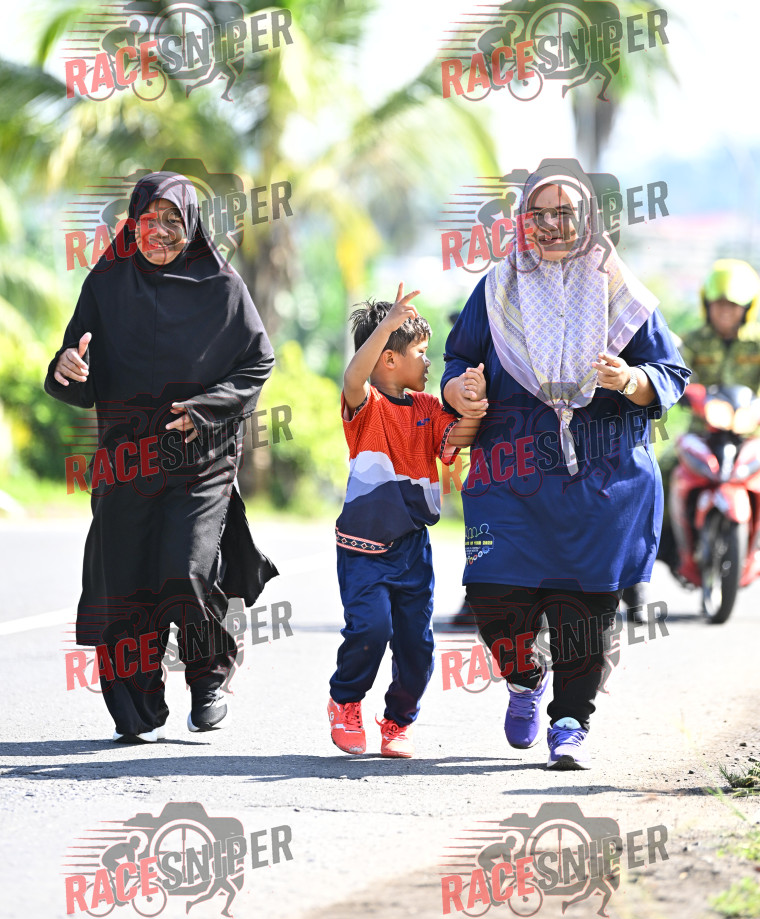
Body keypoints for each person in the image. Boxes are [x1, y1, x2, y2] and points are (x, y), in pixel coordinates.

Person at [441, 159, 689, 769]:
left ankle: (571, 721)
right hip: (509, 475)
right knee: (493, 594)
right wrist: (460, 390)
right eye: (539, 213)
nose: (551, 224)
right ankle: (524, 677)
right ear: (521, 220)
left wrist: (629, 379)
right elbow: (457, 358)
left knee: (586, 608)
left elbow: (670, 374)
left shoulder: (621, 290)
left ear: (589, 219)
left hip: (601, 481)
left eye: (565, 213)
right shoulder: (496, 288)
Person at [45, 172, 277, 742]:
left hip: (201, 461)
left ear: (192, 225)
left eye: (174, 220)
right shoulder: (105, 284)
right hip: (126, 461)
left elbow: (257, 361)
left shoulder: (222, 286)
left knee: (185, 571)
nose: (160, 231)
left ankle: (208, 677)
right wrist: (67, 367)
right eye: (149, 218)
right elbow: (76, 366)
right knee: (125, 581)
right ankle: (139, 702)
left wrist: (205, 409)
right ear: (132, 223)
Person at [327, 284, 487, 758]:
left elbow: (458, 438)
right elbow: (353, 375)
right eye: (420, 352)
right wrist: (388, 325)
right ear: (390, 359)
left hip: (413, 549)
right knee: (370, 631)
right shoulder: (365, 407)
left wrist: (475, 406)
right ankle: (345, 701)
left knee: (417, 647)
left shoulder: (429, 409)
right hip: (362, 548)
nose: (428, 361)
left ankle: (398, 721)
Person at [658, 259, 760, 619]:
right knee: (655, 480)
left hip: (752, 436)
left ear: (747, 308)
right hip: (701, 435)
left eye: (733, 306)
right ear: (707, 304)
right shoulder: (694, 340)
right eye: (719, 304)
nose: (726, 312)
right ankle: (642, 570)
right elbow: (675, 374)